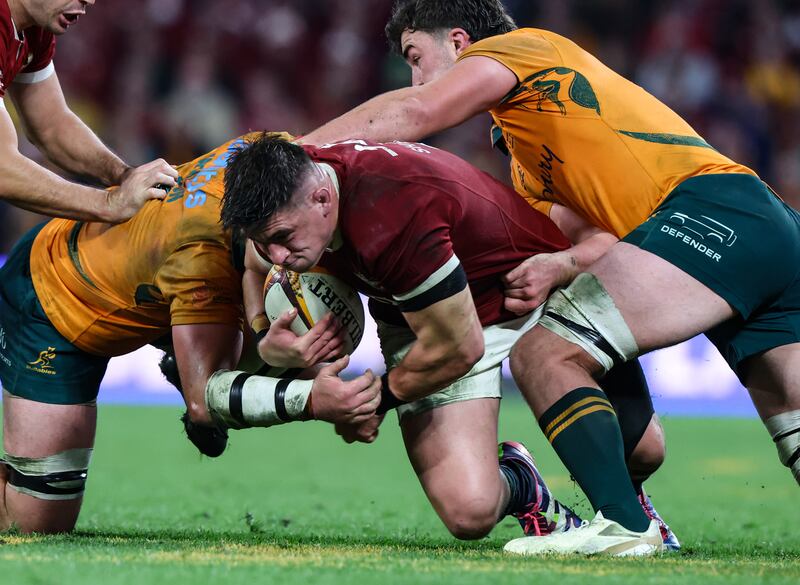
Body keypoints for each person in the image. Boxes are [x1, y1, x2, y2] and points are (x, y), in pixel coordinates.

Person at [302, 0, 800, 555]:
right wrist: (557, 264)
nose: (415, 76)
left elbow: (418, 110)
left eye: (417, 57)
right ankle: (634, 511)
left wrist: (289, 156)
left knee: (544, 355)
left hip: (709, 210)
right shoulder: (530, 151)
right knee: (788, 423)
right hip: (763, 229)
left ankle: (625, 525)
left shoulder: (525, 49)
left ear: (462, 42)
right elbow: (595, 237)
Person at [219, 133, 669, 547]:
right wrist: (262, 334)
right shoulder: (297, 188)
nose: (278, 257)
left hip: (526, 295)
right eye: (265, 241)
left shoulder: (390, 214)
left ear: (322, 200)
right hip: (423, 318)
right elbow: (255, 264)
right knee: (469, 512)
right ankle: (523, 483)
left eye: (282, 239)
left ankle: (626, 502)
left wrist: (371, 401)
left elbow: (459, 347)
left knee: (643, 451)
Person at [0, 133, 381, 534]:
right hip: (54, 299)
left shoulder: (268, 156)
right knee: (35, 524)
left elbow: (400, 117)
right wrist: (315, 403)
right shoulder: (199, 257)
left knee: (285, 349)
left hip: (144, 281)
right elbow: (205, 403)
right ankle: (190, 366)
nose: (285, 257)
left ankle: (190, 361)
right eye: (277, 242)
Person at [1, 0, 178, 222]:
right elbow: (2, 167)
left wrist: (125, 175)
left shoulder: (33, 30)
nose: (90, 1)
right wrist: (109, 204)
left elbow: (52, 125)